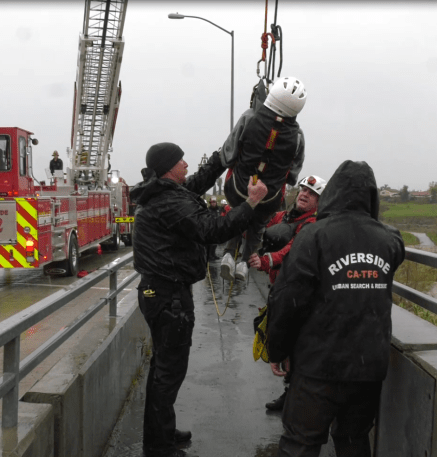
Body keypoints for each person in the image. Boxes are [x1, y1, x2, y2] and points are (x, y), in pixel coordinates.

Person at [131, 142, 268, 457]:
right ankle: (160, 448)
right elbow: (215, 229)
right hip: (169, 298)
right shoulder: (169, 202)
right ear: (168, 167)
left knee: (163, 369)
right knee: (169, 372)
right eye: (181, 161)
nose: (187, 165)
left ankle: (161, 433)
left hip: (161, 293)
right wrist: (252, 202)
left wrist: (224, 155)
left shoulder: (164, 192)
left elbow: (198, 182)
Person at [266, 160, 405, 457]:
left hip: (319, 364)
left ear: (332, 194)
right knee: (353, 439)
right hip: (368, 366)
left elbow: (289, 300)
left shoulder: (313, 236)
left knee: (301, 442)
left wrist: (276, 350)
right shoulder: (390, 239)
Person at [248, 174, 326, 411]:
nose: (304, 194)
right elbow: (264, 223)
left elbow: (293, 250)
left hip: (299, 294)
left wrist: (267, 260)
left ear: (320, 201)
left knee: (295, 347)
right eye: (303, 189)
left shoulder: (312, 224)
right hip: (281, 289)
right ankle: (291, 394)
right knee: (285, 343)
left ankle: (296, 399)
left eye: (312, 193)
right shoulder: (287, 217)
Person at [218, 77, 308, 282]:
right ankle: (245, 263)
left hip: (239, 189)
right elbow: (294, 171)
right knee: (257, 224)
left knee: (237, 212)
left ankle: (229, 253)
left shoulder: (249, 117)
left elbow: (229, 153)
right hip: (270, 197)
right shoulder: (298, 135)